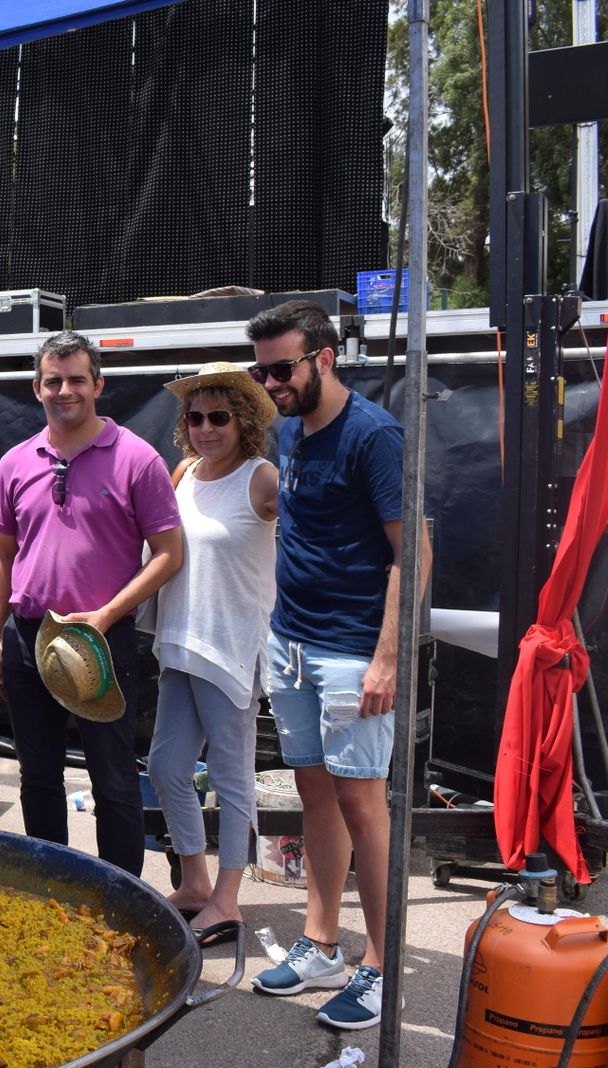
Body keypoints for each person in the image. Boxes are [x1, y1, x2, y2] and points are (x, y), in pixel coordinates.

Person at [246, 300, 429, 1030]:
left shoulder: (373, 435)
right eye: (262, 371)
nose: (271, 382)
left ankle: (381, 966)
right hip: (290, 641)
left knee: (363, 804)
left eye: (282, 367)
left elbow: (413, 551)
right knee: (315, 795)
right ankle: (322, 943)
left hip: (351, 653)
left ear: (325, 356)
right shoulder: (287, 427)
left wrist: (387, 658)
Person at [0, 331, 182, 875]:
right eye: (53, 380)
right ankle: (51, 890)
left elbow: (170, 554)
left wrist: (107, 614)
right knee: (38, 775)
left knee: (114, 778)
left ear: (99, 384)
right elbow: (1, 556)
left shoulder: (137, 460)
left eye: (76, 379)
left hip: (102, 638)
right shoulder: (15, 463)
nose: (64, 389)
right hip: (29, 639)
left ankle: (120, 895)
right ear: (37, 388)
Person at [147, 362, 278, 945]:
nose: (205, 427)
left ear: (243, 421)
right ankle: (196, 883)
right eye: (196, 417)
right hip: (179, 641)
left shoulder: (262, 478)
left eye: (219, 417)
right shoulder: (184, 473)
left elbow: (311, 537)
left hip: (230, 649)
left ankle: (229, 900)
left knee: (230, 776)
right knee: (167, 768)